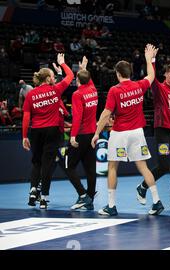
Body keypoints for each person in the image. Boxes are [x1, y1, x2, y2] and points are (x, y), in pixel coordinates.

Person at [91, 44, 163, 216]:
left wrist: (96, 133)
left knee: (113, 167)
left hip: (120, 133)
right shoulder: (139, 86)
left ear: (117, 74)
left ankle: (111, 205)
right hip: (137, 133)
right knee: (144, 167)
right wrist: (149, 58)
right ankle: (157, 201)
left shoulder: (114, 90)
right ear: (130, 73)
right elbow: (152, 75)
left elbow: (106, 113)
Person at [136, 48, 170, 209]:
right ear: (165, 74)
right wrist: (151, 59)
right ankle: (143, 186)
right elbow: (151, 76)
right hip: (162, 131)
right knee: (165, 166)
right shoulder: (159, 88)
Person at [22, 53, 74, 209]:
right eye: (52, 76)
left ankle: (32, 190)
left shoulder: (30, 94)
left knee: (37, 163)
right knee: (47, 164)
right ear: (48, 79)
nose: (54, 78)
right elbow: (70, 75)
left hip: (36, 131)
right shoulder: (55, 90)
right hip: (52, 131)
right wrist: (63, 63)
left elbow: (26, 117)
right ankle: (43, 198)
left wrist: (24, 136)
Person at [66, 56, 98, 211]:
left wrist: (72, 136)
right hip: (92, 134)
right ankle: (90, 197)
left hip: (81, 135)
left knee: (69, 166)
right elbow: (87, 79)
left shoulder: (77, 94)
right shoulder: (93, 90)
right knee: (90, 168)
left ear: (77, 80)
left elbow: (77, 117)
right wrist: (83, 67)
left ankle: (83, 195)